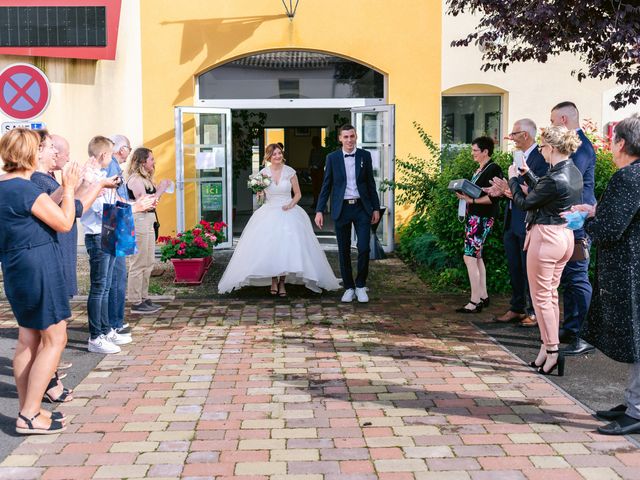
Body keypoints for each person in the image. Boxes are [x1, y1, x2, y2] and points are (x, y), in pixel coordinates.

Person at [0, 128, 80, 434]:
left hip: (17, 266)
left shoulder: (3, 186)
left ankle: (27, 409)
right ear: (29, 154)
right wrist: (69, 188)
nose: (45, 152)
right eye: (41, 147)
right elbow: (63, 223)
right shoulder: (24, 189)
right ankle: (31, 413)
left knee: (28, 339)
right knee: (55, 338)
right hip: (38, 266)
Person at [31, 131, 119, 402]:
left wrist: (83, 184)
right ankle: (45, 385)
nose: (62, 157)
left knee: (51, 331)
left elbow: (74, 205)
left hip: (58, 254)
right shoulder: (34, 181)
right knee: (45, 331)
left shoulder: (46, 179)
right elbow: (67, 209)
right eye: (56, 151)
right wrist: (90, 183)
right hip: (47, 257)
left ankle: (51, 370)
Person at [575, 115, 640, 435]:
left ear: (623, 144)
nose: (610, 147)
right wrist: (594, 211)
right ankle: (632, 402)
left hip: (630, 271)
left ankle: (637, 411)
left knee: (638, 340)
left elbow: (611, 230)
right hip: (632, 268)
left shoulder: (628, 177)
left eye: (612, 140)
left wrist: (584, 224)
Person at [509, 126, 583, 376]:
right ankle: (546, 347)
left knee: (542, 297)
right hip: (564, 236)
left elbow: (525, 202)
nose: (541, 152)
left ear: (551, 148)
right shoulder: (572, 172)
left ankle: (552, 351)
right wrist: (527, 174)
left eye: (542, 148)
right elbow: (546, 190)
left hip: (546, 237)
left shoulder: (554, 177)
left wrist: (512, 180)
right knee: (549, 296)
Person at [219, 143, 340, 295]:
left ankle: (282, 282)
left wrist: (291, 204)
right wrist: (260, 195)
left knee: (286, 248)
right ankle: (273, 280)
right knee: (270, 248)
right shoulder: (263, 173)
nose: (277, 156)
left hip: (288, 210)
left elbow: (298, 194)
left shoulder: (290, 172)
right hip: (268, 212)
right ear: (269, 157)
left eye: (279, 153)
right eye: (274, 154)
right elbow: (262, 198)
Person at [486, 120, 548, 326]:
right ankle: (517, 307)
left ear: (526, 135)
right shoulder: (517, 157)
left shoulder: (541, 159)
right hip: (512, 220)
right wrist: (503, 190)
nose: (510, 137)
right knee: (514, 267)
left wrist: (509, 188)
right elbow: (515, 188)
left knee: (529, 268)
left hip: (528, 221)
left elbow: (536, 192)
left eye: (514, 134)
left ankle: (533, 311)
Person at [314, 124, 380, 303]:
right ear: (340, 139)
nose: (349, 140)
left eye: (352, 136)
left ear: (356, 136)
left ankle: (360, 285)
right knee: (343, 250)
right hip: (341, 209)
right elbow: (326, 185)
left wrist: (375, 207)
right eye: (346, 137)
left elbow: (370, 183)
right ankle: (349, 287)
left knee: (364, 248)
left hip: (362, 208)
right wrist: (319, 210)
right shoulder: (332, 158)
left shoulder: (364, 156)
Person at [550, 102, 596, 356]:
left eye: (553, 120)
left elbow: (570, 180)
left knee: (578, 276)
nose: (551, 125)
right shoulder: (576, 145)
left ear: (564, 119)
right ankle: (571, 327)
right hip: (569, 217)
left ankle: (583, 334)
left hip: (577, 219)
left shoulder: (580, 147)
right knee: (568, 276)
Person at [80, 136, 134, 354]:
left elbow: (110, 202)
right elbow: (99, 208)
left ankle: (106, 328)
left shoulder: (101, 175)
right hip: (97, 234)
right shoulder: (91, 177)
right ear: (103, 155)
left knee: (108, 284)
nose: (112, 158)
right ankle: (96, 335)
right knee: (99, 286)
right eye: (110, 155)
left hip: (108, 231)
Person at [454, 137, 504, 313]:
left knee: (469, 257)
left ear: (485, 152)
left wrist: (471, 199)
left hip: (481, 218)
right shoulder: (481, 169)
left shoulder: (494, 168)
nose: (472, 153)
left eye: (475, 150)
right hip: (475, 216)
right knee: (477, 256)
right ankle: (483, 295)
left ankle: (474, 301)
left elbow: (494, 197)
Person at [126, 147, 170, 314]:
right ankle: (136, 300)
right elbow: (145, 203)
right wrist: (161, 189)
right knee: (138, 261)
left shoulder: (145, 179)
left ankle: (144, 297)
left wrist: (158, 189)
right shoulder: (135, 179)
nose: (154, 162)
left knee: (149, 260)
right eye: (151, 159)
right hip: (140, 221)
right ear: (143, 162)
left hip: (148, 221)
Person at [106, 134, 133, 335]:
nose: (128, 154)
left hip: (116, 224)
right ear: (121, 149)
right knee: (117, 277)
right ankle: (115, 322)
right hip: (115, 225)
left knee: (117, 276)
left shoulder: (114, 166)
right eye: (129, 149)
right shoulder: (112, 167)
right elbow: (114, 199)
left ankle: (115, 321)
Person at [308, 136, 326, 208]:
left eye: (314, 142)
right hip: (313, 171)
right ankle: (315, 202)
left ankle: (320, 204)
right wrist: (310, 167)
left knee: (320, 188)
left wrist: (317, 166)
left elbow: (323, 160)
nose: (313, 143)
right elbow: (310, 159)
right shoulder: (312, 150)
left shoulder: (323, 150)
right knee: (314, 188)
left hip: (320, 170)